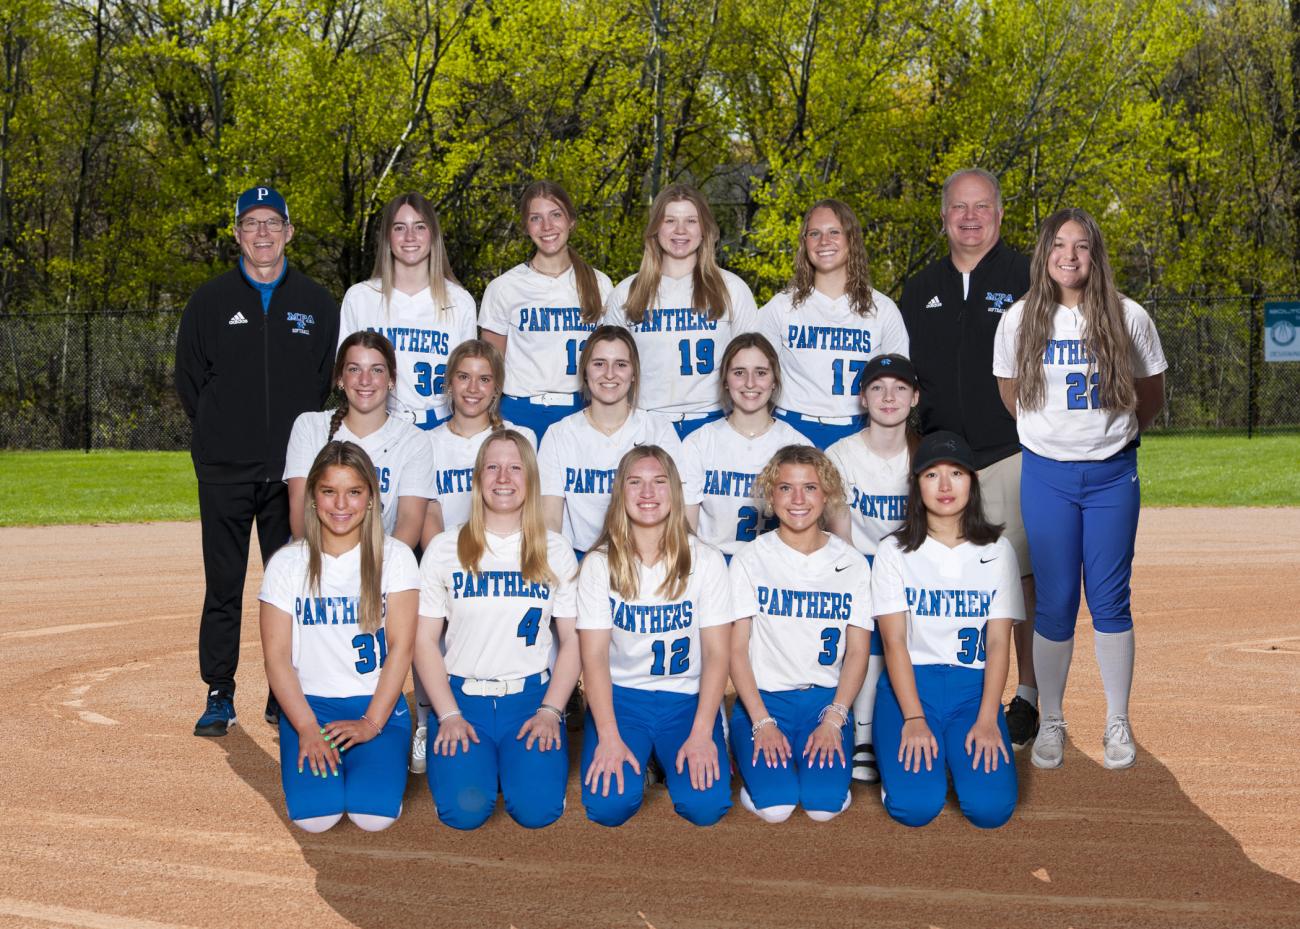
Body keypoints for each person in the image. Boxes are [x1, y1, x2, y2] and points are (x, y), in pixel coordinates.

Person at [992, 208, 1167, 771]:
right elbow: (1009, 393)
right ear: (1045, 254)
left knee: (1112, 599)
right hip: (1048, 475)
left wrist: (1109, 437)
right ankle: (1055, 719)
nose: (1070, 256)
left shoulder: (1127, 315)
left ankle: (1117, 719)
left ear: (1097, 255)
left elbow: (1151, 393)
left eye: (1082, 246)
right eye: (1060, 245)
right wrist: (1053, 438)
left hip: (1113, 473)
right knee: (1058, 601)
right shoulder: (1019, 320)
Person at [175, 185, 338, 737]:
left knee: (290, 583)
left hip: (291, 475)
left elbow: (322, 383)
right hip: (224, 469)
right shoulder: (209, 301)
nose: (263, 233)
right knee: (223, 584)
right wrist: (227, 434)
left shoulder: (317, 303)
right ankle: (219, 691)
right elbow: (190, 383)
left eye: (273, 223)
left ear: (289, 232)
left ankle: (280, 689)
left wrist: (287, 448)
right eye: (252, 224)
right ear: (238, 234)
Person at [898, 168, 1040, 749]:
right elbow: (907, 378)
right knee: (936, 577)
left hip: (1010, 452)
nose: (971, 217)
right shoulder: (918, 287)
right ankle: (938, 695)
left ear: (1000, 215)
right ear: (944, 216)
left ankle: (1028, 695)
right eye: (960, 207)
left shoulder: (1030, 275)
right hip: (940, 462)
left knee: (1022, 579)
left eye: (982, 207)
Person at [414, 431, 580, 828]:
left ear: (531, 480)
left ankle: (508, 766)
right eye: (492, 467)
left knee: (538, 812)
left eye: (515, 468)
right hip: (462, 699)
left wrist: (551, 711)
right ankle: (487, 765)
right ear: (477, 478)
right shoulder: (444, 548)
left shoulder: (555, 549)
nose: (503, 477)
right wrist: (448, 714)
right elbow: (423, 641)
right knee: (464, 812)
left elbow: (573, 641)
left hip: (529, 699)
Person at [258, 441, 419, 832]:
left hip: (376, 703)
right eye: (329, 491)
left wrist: (371, 722)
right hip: (311, 707)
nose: (341, 504)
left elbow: (401, 648)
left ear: (370, 498)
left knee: (372, 816)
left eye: (354, 492)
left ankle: (384, 751)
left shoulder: (395, 557)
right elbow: (277, 658)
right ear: (313, 497)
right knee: (317, 818)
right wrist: (307, 728)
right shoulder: (287, 563)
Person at [577, 446, 736, 826]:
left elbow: (717, 654)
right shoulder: (599, 564)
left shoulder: (706, 560)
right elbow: (594, 657)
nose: (647, 493)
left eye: (658, 482)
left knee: (706, 807)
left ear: (675, 492)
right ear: (620, 492)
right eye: (636, 482)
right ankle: (643, 754)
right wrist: (609, 736)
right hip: (623, 700)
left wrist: (702, 733)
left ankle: (698, 740)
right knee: (608, 807)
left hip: (685, 698)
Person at [872, 431, 1023, 829]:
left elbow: (997, 641)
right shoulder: (894, 551)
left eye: (956, 473)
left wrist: (989, 718)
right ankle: (904, 771)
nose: (944, 486)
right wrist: (913, 719)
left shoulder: (996, 550)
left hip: (972, 692)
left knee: (991, 811)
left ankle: (954, 759)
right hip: (910, 686)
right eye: (931, 475)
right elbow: (894, 642)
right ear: (916, 483)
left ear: (971, 482)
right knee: (915, 808)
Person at [728, 445, 871, 823]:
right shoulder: (749, 559)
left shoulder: (852, 564)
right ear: (770, 496)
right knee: (776, 808)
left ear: (827, 495)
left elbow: (857, 652)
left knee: (823, 807)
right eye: (785, 488)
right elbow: (736, 650)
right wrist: (761, 721)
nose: (797, 499)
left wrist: (834, 719)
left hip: (824, 702)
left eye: (809, 487)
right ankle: (745, 746)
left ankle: (809, 765)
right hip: (765, 699)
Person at [825, 353, 919, 785]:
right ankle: (862, 733)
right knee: (866, 613)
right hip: (858, 564)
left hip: (912, 566)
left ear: (914, 398)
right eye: (878, 387)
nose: (888, 396)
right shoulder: (839, 454)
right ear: (862, 398)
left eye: (900, 387)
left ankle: (899, 720)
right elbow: (840, 540)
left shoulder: (925, 453)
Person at [605, 184, 759, 438]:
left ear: (704, 230)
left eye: (690, 221)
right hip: (647, 422)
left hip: (712, 422)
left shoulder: (732, 289)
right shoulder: (626, 293)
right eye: (670, 221)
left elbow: (754, 364)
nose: (680, 230)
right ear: (656, 228)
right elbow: (606, 368)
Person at [758, 199, 909, 449]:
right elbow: (753, 373)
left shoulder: (882, 309)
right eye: (814, 233)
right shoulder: (782, 306)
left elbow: (900, 383)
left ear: (851, 239)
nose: (824, 241)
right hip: (793, 428)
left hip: (859, 430)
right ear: (804, 242)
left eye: (834, 232)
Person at [538, 326, 691, 558]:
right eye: (599, 363)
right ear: (585, 372)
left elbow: (677, 511)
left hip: (644, 559)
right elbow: (549, 520)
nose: (609, 374)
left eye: (621, 364)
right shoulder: (559, 434)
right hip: (578, 558)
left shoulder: (658, 430)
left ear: (634, 373)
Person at [479, 181, 613, 440]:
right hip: (519, 413)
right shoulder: (504, 288)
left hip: (582, 410)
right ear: (525, 226)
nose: (547, 227)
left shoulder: (600, 285)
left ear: (571, 220)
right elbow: (490, 369)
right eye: (536, 218)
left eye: (556, 215)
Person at [339, 192, 476, 430]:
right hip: (377, 425)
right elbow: (344, 375)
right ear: (387, 237)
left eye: (420, 227)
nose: (410, 236)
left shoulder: (459, 301)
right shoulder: (361, 298)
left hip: (438, 425)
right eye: (399, 228)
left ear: (433, 234)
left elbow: (468, 380)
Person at [284, 332, 434, 550]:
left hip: (381, 565)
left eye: (376, 370)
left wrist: (382, 572)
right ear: (340, 379)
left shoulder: (414, 440)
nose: (365, 380)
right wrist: (322, 565)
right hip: (318, 559)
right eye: (354, 369)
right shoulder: (309, 427)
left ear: (391, 380)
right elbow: (301, 508)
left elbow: (409, 521)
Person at [679, 333, 810, 558]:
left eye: (761, 373)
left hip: (776, 566)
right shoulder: (699, 443)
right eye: (739, 373)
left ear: (774, 380)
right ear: (726, 382)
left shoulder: (797, 445)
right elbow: (687, 534)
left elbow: (807, 530)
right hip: (714, 564)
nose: (750, 383)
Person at [422, 339, 538, 544]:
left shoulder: (521, 437)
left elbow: (530, 509)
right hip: (450, 556)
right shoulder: (426, 443)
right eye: (464, 377)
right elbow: (431, 514)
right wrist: (445, 561)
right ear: (449, 383)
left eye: (484, 379)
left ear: (496, 389)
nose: (473, 388)